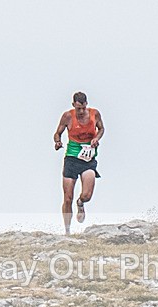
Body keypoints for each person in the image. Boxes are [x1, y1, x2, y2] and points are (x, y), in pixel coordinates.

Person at [53, 92, 104, 235]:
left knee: (87, 195)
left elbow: (101, 129)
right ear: (73, 105)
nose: (81, 112)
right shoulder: (68, 116)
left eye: (83, 108)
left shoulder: (95, 114)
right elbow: (57, 133)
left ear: (86, 104)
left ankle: (81, 203)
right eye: (78, 109)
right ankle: (67, 231)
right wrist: (57, 142)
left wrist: (96, 138)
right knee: (67, 197)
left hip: (88, 160)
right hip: (71, 158)